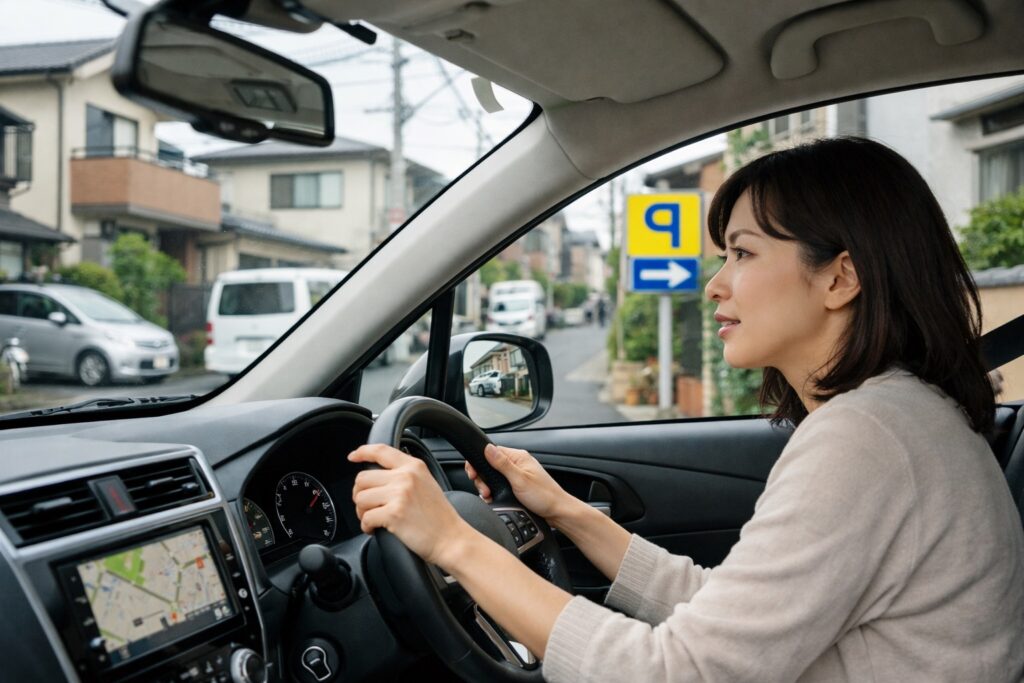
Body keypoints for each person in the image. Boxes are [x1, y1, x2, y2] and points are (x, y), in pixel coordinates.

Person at [348, 138, 1024, 682]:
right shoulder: (903, 415)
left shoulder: (866, 439)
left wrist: (453, 541)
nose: (716, 284)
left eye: (743, 253)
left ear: (840, 277)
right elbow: (727, 617)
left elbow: (679, 670)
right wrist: (567, 511)